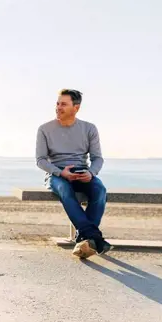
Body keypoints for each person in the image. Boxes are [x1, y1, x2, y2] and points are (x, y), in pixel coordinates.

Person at [36, 89, 112, 258]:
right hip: (56, 174)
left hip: (82, 172)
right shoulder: (44, 129)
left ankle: (85, 238)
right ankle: (94, 237)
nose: (58, 107)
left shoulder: (89, 128)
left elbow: (98, 158)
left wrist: (91, 173)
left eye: (63, 104)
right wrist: (60, 172)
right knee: (65, 189)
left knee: (100, 190)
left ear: (76, 108)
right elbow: (41, 160)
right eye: (57, 103)